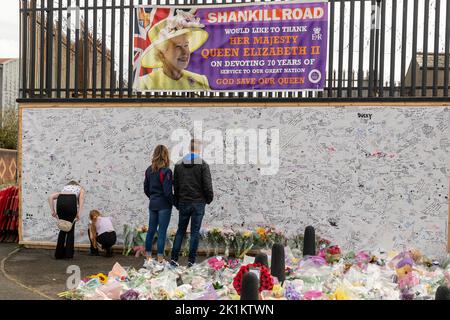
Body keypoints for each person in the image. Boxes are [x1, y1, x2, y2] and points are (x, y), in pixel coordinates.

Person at [138, 10, 210, 91]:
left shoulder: (201, 80)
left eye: (186, 45)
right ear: (161, 54)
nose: (185, 52)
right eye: (178, 46)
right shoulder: (145, 83)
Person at [170, 139, 214, 267]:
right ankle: (191, 262)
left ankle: (173, 260)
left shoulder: (178, 165)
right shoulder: (204, 165)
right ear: (199, 149)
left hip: (183, 202)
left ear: (189, 148)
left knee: (180, 231)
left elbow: (176, 186)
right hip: (198, 203)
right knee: (195, 232)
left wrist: (177, 202)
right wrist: (208, 199)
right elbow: (207, 185)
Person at [144, 145, 174, 263]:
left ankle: (148, 258)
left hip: (153, 203)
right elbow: (167, 192)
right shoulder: (167, 171)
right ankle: (160, 259)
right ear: (166, 155)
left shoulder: (148, 170)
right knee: (162, 232)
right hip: (164, 205)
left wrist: (152, 197)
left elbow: (146, 188)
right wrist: (174, 202)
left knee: (151, 230)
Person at [48, 180, 85, 259]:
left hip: (60, 202)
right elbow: (81, 199)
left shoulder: (64, 189)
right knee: (70, 229)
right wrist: (79, 213)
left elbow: (50, 197)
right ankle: (68, 254)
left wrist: (52, 211)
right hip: (71, 203)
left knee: (63, 227)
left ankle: (58, 254)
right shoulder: (80, 188)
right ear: (77, 185)